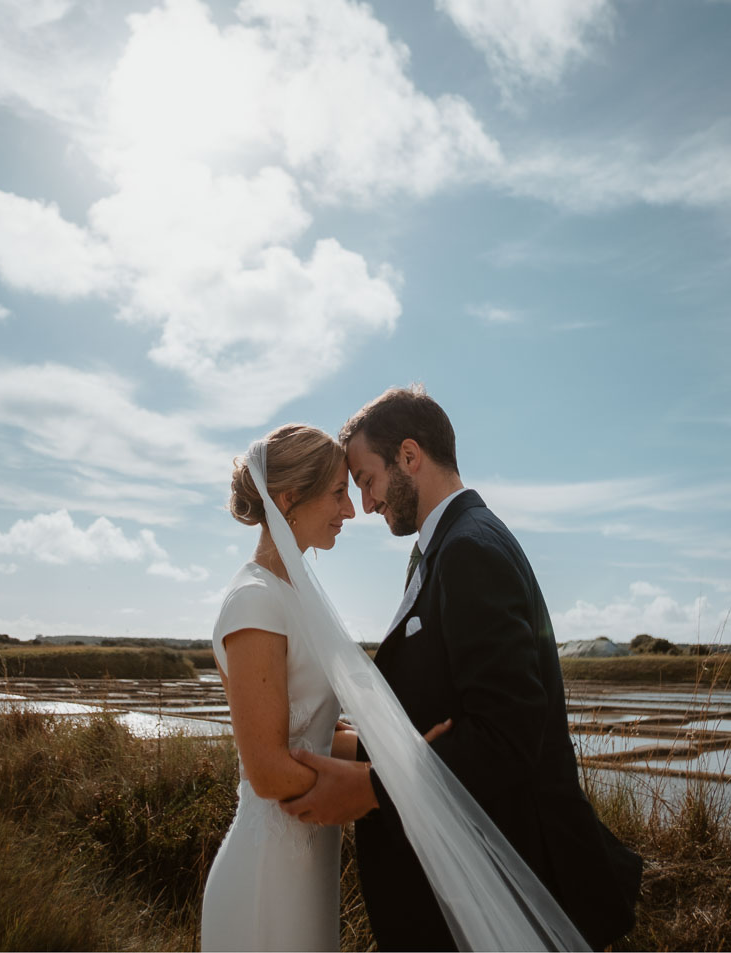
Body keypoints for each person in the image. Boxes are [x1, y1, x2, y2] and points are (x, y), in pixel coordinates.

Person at [278, 386, 644, 951]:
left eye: (367, 480)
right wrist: (356, 745)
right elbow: (442, 704)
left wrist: (372, 788)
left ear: (409, 456)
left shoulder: (470, 549)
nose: (367, 504)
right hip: (477, 872)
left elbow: (506, 734)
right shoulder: (445, 545)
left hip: (512, 876)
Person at [201, 423, 449, 951]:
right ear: (290, 499)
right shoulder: (254, 601)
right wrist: (381, 791)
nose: (351, 509)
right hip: (269, 873)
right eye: (339, 492)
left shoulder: (292, 596)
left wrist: (412, 758)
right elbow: (267, 769)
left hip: (308, 860)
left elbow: (311, 732)